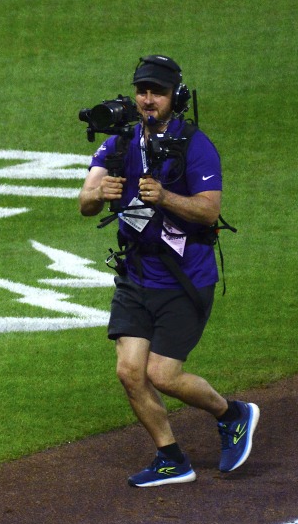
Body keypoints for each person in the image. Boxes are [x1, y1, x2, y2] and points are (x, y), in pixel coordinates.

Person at [78, 55, 259, 487]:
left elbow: (209, 209)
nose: (147, 99)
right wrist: (99, 193)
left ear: (174, 97)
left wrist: (165, 197)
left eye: (157, 92)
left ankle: (232, 413)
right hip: (136, 276)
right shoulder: (119, 145)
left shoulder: (195, 145)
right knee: (129, 372)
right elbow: (85, 203)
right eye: (142, 90)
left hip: (185, 280)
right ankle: (171, 457)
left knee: (163, 374)